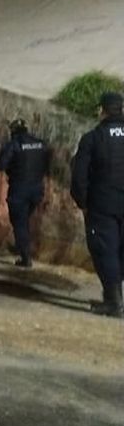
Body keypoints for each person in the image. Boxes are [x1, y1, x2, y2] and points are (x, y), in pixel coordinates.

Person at [70, 91, 124, 318]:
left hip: (103, 204)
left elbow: (79, 174)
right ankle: (115, 297)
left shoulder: (93, 138)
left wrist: (82, 201)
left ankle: (113, 301)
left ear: (102, 110)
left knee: (105, 250)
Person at [0, 118, 50, 268]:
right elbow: (47, 164)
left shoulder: (14, 144)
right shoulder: (40, 143)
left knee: (19, 223)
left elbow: (1, 164)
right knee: (24, 221)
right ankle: (22, 246)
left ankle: (25, 257)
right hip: (37, 190)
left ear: (13, 131)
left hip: (19, 190)